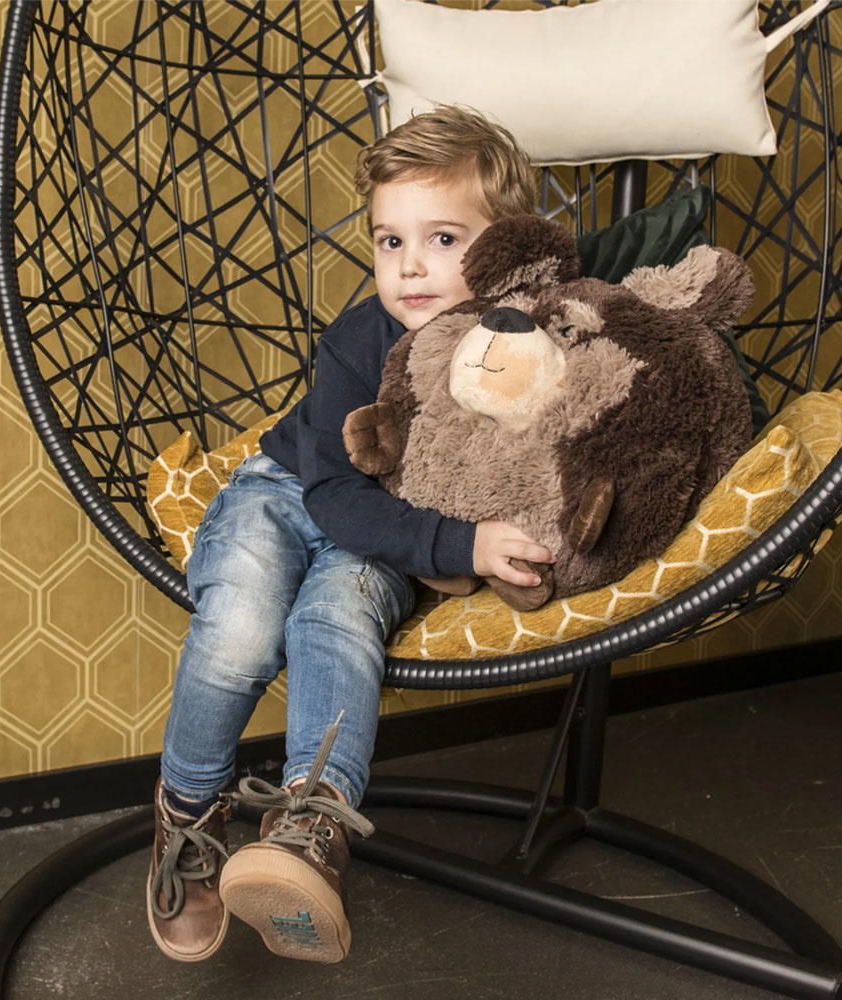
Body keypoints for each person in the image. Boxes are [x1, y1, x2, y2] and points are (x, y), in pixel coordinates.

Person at [146, 105, 555, 965]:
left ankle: (307, 833)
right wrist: (463, 548)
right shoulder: (358, 338)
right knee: (242, 623)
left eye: (443, 239)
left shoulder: (527, 346)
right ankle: (187, 812)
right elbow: (333, 492)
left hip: (387, 530)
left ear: (507, 244)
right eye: (389, 241)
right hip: (292, 489)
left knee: (334, 619)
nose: (410, 266)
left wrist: (500, 538)